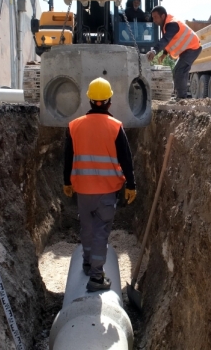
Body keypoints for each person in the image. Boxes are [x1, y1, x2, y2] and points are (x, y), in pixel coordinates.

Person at [63, 78, 137, 292]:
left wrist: (66, 181)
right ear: (109, 102)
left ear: (89, 100)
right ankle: (96, 278)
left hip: (83, 190)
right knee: (101, 232)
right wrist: (131, 184)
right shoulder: (115, 126)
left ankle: (87, 264)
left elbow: (68, 157)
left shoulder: (74, 126)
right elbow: (126, 158)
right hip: (106, 190)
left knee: (86, 228)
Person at [147, 6, 202, 100]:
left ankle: (181, 98)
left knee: (179, 70)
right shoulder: (165, 24)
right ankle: (180, 96)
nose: (154, 20)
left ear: (163, 16)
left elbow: (165, 39)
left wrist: (154, 51)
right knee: (178, 70)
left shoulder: (172, 24)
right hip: (188, 49)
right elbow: (170, 41)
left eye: (155, 17)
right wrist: (164, 53)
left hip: (192, 48)